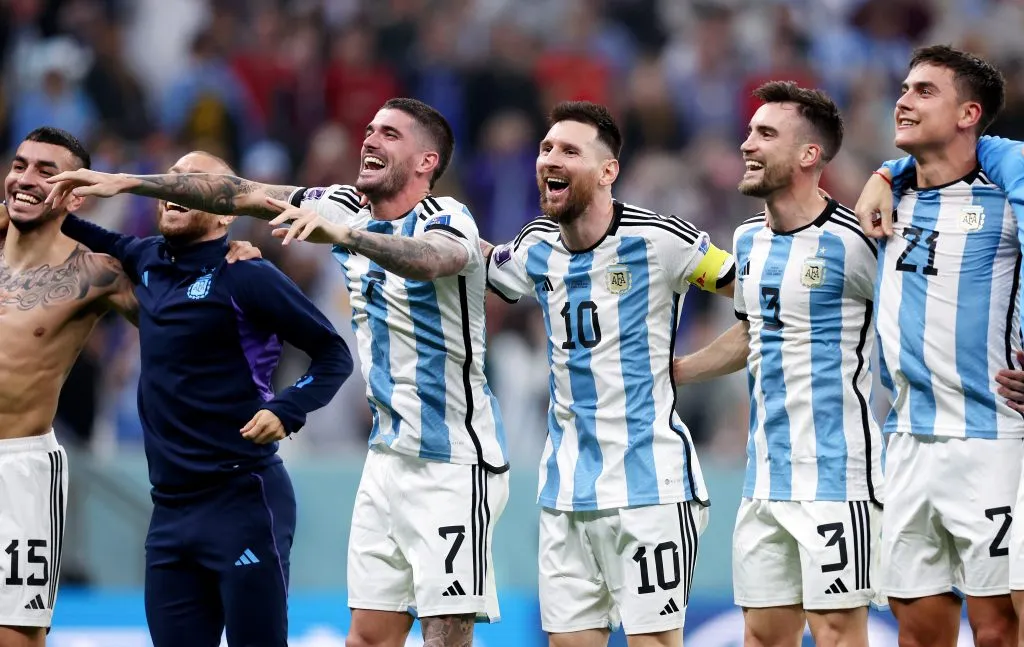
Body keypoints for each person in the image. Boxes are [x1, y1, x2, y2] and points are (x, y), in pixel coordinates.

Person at [45, 97, 509, 647]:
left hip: (453, 457)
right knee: (368, 636)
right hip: (387, 455)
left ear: (426, 161)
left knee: (445, 630)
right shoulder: (340, 203)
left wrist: (341, 237)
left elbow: (431, 259)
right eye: (369, 128)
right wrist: (126, 183)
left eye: (389, 134)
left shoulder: (447, 216)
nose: (369, 139)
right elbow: (235, 193)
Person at [54, 150, 354, 647]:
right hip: (169, 515)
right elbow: (75, 228)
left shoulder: (247, 274)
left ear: (226, 211)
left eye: (192, 182)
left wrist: (286, 409)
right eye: (168, 179)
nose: (174, 188)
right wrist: (43, 193)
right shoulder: (145, 257)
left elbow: (333, 354)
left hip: (243, 500)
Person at [483, 101, 733, 647]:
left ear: (607, 171)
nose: (550, 157)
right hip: (564, 492)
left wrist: (688, 368)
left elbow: (760, 303)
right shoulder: (534, 247)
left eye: (569, 150)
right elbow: (479, 266)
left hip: (651, 488)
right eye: (546, 148)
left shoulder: (663, 240)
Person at [0, 128, 259, 646]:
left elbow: (192, 321)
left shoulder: (96, 273)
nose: (26, 180)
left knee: (15, 636)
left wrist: (226, 265)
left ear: (75, 193)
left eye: (46, 172)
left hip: (18, 469)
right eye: (20, 165)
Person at [673, 82, 883, 647]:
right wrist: (681, 371)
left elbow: (912, 319)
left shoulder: (858, 241)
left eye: (765, 134)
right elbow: (755, 329)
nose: (747, 144)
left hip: (839, 475)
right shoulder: (747, 240)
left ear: (808, 155)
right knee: (763, 636)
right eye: (749, 131)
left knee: (838, 632)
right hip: (764, 476)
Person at [852, 45, 1023, 647]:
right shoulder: (887, 203)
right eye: (904, 88)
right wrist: (882, 173)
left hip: (993, 440)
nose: (903, 99)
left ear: (968, 114)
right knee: (918, 628)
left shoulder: (1005, 198)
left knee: (999, 630)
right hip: (906, 444)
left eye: (925, 91)